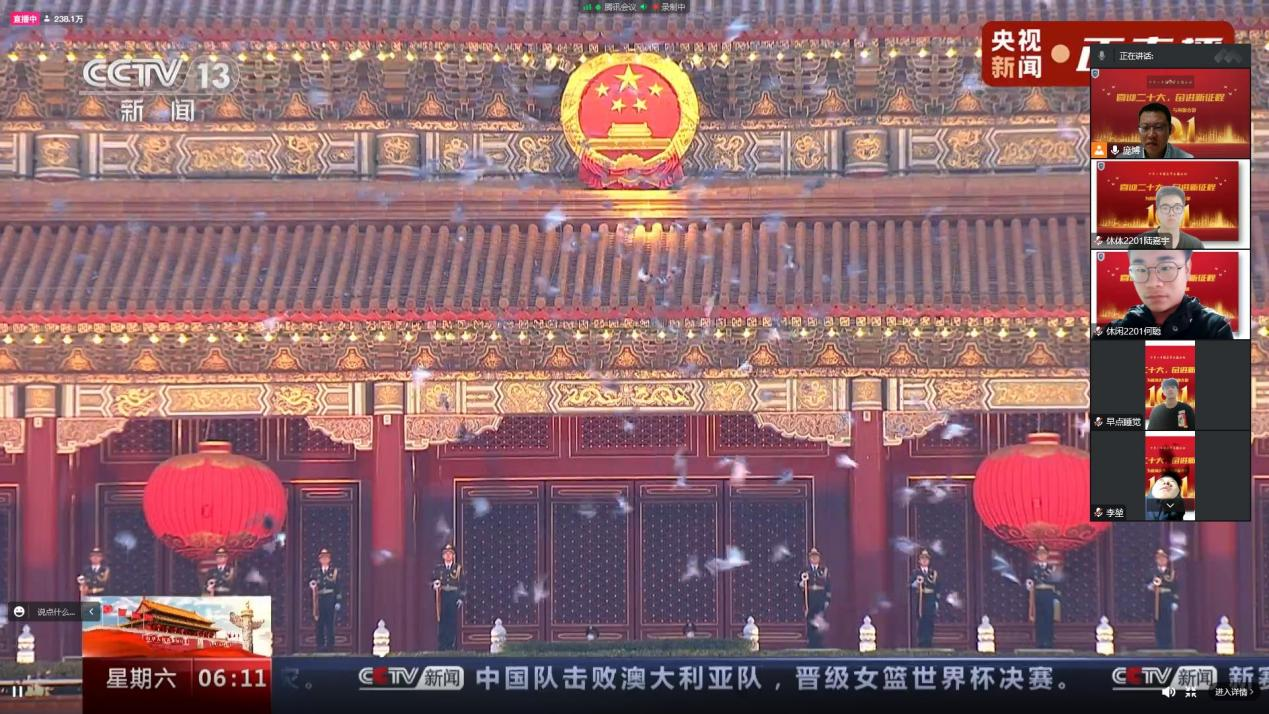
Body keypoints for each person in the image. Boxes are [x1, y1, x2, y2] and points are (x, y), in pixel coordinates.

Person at [1102, 250, 1233, 340]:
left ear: (1187, 269)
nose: (1152, 283)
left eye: (1166, 268)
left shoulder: (1214, 329)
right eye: (1140, 270)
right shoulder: (1114, 332)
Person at [1135, 186, 1205, 250]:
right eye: (1165, 208)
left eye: (1177, 208)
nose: (1171, 213)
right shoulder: (1140, 243)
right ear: (1157, 212)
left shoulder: (1195, 245)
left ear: (1183, 212)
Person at [1123, 103, 1194, 159]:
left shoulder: (1186, 159)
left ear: (1170, 130)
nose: (1151, 135)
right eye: (1145, 127)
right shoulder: (1123, 159)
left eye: (1158, 127)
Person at [1025, 544, 1060, 648]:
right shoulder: (1033, 568)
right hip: (1038, 593)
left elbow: (1057, 583)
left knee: (1048, 618)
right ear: (1037, 555)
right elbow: (1029, 581)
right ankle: (1039, 642)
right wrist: (1029, 585)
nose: (1041, 556)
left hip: (1049, 594)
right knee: (1039, 618)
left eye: (1043, 553)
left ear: (1047, 555)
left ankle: (1049, 641)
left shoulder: (1052, 568)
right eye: (1039, 554)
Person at [432, 543, 465, 651]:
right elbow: (431, 580)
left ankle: (451, 645)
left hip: (453, 596)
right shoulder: (439, 569)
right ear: (443, 556)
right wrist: (434, 584)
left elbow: (463, 585)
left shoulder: (458, 568)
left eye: (450, 553)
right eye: (446, 554)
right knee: (442, 620)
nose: (448, 555)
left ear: (453, 556)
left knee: (451, 621)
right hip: (442, 596)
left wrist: (461, 598)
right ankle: (442, 645)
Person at [309, 548, 341, 652]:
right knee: (319, 622)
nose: (324, 560)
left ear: (329, 559)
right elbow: (311, 582)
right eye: (322, 558)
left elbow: (338, 587)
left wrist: (338, 601)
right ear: (319, 560)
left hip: (330, 599)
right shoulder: (315, 572)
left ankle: (330, 645)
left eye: (326, 558)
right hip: (319, 599)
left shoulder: (334, 571)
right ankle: (320, 644)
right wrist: (312, 585)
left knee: (330, 622)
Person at [800, 546, 831, 648]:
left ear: (819, 558)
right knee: (810, 620)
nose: (814, 558)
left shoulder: (824, 570)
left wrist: (827, 600)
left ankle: (819, 642)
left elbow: (828, 586)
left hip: (820, 598)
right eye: (812, 557)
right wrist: (802, 583)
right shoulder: (805, 570)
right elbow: (799, 585)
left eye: (816, 556)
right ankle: (811, 642)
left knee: (819, 620)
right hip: (810, 598)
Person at [909, 548, 940, 648]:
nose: (924, 560)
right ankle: (921, 641)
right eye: (922, 558)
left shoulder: (933, 573)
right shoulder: (915, 572)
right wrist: (916, 582)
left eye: (926, 559)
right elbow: (909, 585)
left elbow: (937, 587)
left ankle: (929, 641)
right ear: (919, 561)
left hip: (930, 599)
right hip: (921, 599)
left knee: (929, 620)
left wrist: (936, 601)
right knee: (921, 620)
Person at [1150, 549, 1179, 648]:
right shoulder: (1152, 572)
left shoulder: (1171, 573)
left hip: (1167, 599)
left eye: (1163, 558)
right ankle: (1159, 643)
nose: (1161, 560)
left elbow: (1175, 588)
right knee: (1158, 621)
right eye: (1159, 558)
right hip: (1156, 600)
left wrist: (1175, 601)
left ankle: (1168, 643)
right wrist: (1150, 586)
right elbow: (1146, 584)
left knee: (1168, 621)